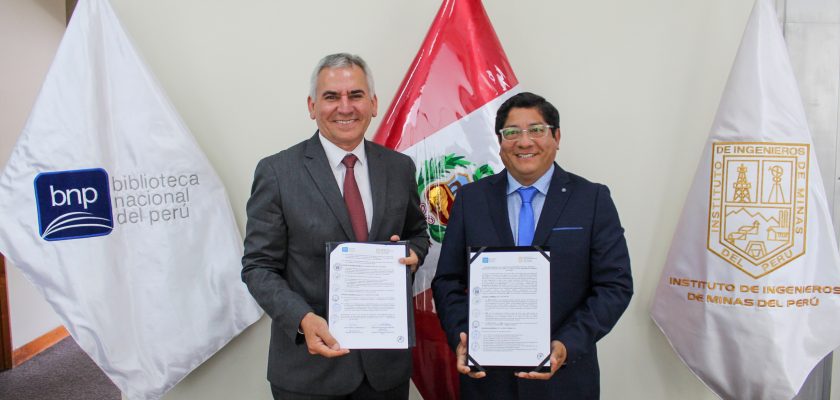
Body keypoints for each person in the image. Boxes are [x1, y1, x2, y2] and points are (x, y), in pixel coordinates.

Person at [242, 53, 430, 400]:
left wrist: (413, 253)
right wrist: (303, 319)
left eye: (355, 95)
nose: (345, 107)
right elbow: (258, 267)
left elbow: (418, 233)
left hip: (384, 373)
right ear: (312, 106)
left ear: (373, 104)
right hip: (308, 372)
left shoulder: (399, 167)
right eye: (331, 97)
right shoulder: (278, 172)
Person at [431, 92, 633, 399]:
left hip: (565, 380)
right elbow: (448, 280)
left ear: (557, 136)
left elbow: (615, 285)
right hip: (487, 380)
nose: (524, 142)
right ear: (500, 142)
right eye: (511, 133)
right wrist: (464, 337)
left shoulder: (592, 200)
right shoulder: (471, 199)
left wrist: (567, 343)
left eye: (537, 130)